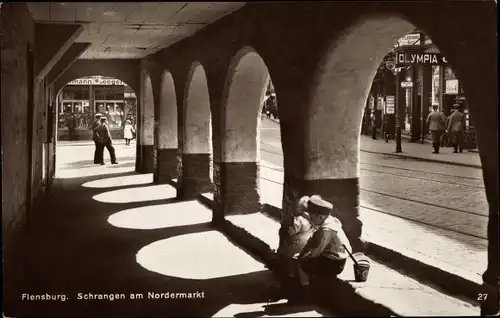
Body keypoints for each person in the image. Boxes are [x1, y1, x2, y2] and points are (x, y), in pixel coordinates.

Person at [294, 195, 352, 286]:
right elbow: (312, 241)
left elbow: (316, 251)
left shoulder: (327, 230)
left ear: (320, 217)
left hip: (335, 263)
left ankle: (305, 290)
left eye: (312, 218)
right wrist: (303, 254)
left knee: (302, 264)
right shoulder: (328, 221)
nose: (311, 220)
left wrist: (302, 258)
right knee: (301, 259)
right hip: (332, 258)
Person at [277, 196, 315, 279]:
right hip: (306, 244)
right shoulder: (313, 221)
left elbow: (291, 232)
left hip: (295, 246)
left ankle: (290, 274)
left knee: (287, 254)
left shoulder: (299, 220)